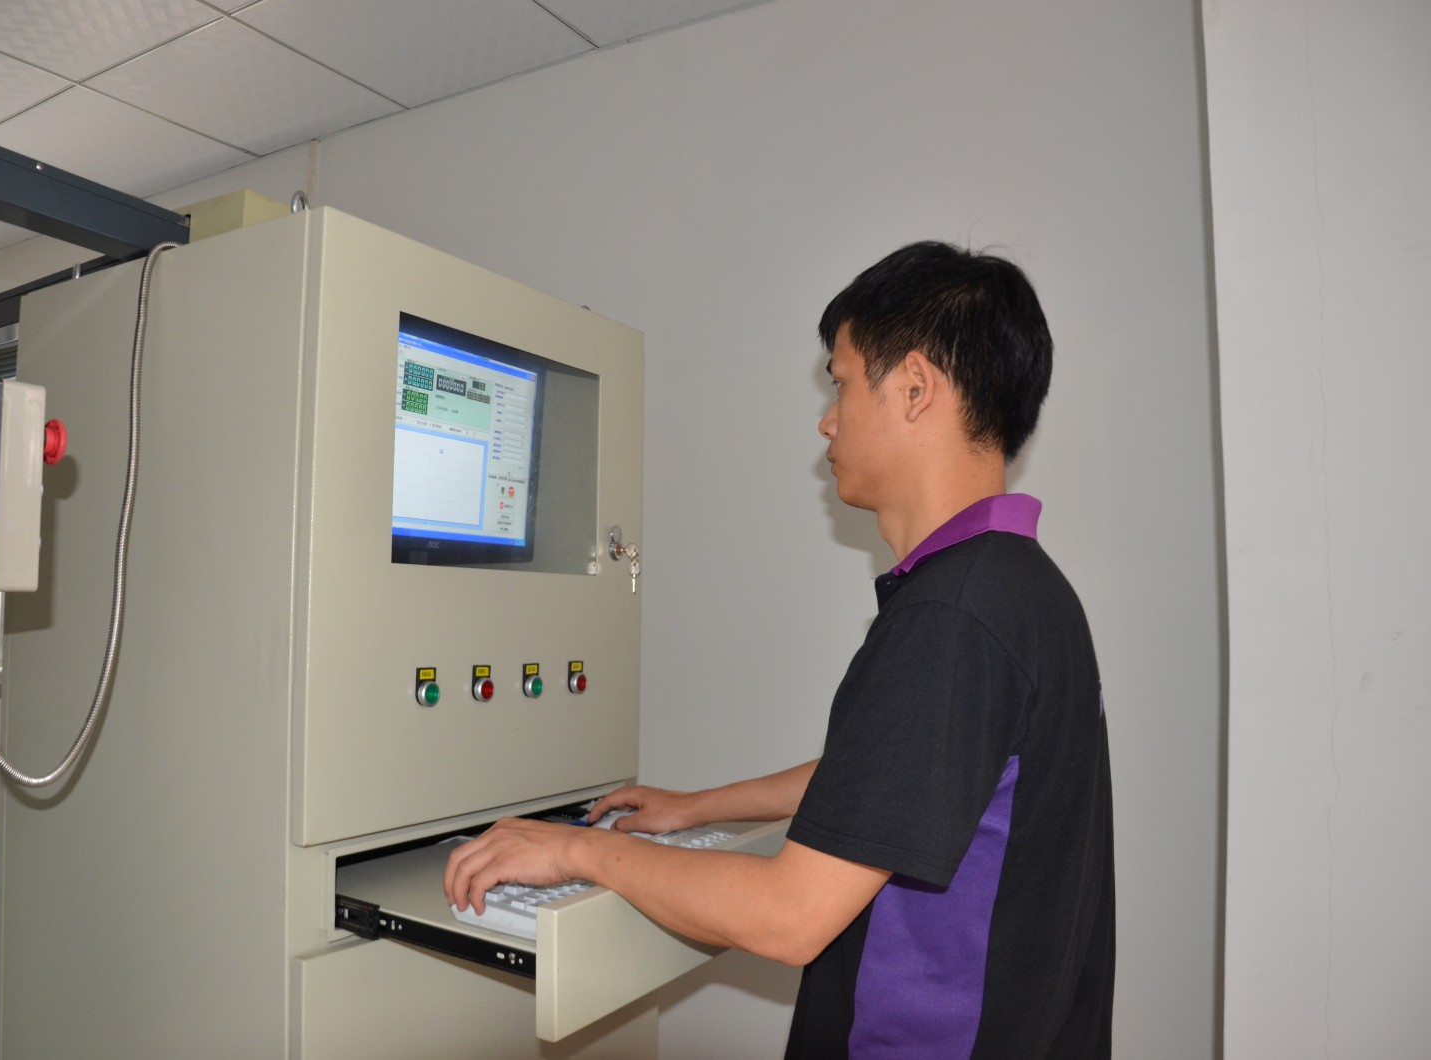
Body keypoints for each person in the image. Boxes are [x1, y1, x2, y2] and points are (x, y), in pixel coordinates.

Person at [444, 241, 1115, 1058]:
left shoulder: (953, 618)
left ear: (914, 388)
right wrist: (701, 807)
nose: (828, 419)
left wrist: (579, 850)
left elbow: (789, 916)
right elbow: (895, 777)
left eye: (842, 383)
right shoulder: (1022, 590)